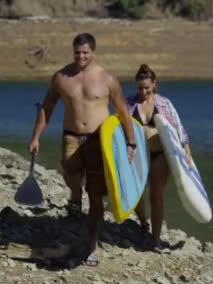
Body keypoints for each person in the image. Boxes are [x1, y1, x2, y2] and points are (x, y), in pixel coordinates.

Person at [27, 33, 136, 266]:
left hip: (99, 141)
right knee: (69, 171)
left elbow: (123, 111)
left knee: (95, 195)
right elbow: (47, 108)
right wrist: (35, 137)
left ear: (93, 52)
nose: (81, 57)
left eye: (85, 53)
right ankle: (75, 194)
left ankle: (91, 248)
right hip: (72, 136)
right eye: (77, 52)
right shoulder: (62, 77)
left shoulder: (107, 78)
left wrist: (130, 142)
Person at [127, 64, 192, 252]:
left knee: (156, 195)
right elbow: (117, 128)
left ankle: (155, 240)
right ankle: (141, 221)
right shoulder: (129, 103)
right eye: (140, 88)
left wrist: (187, 152)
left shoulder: (164, 104)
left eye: (147, 87)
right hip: (137, 155)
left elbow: (178, 129)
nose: (143, 91)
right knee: (135, 193)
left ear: (154, 84)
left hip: (159, 155)